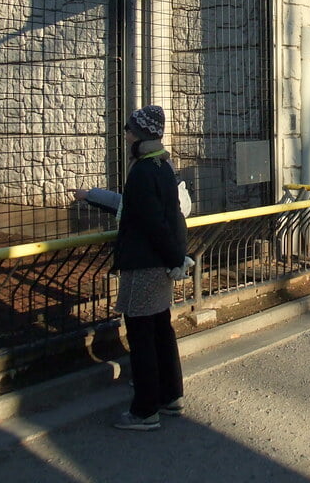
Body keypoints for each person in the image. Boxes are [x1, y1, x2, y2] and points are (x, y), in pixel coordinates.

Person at [70, 105, 190, 431]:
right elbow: (157, 214)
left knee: (141, 335)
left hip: (144, 265)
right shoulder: (163, 166)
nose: (125, 133)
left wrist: (172, 258)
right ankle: (170, 395)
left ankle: (144, 410)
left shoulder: (142, 171)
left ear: (139, 133)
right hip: (161, 263)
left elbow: (149, 221)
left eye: (128, 128)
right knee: (161, 329)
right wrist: (175, 258)